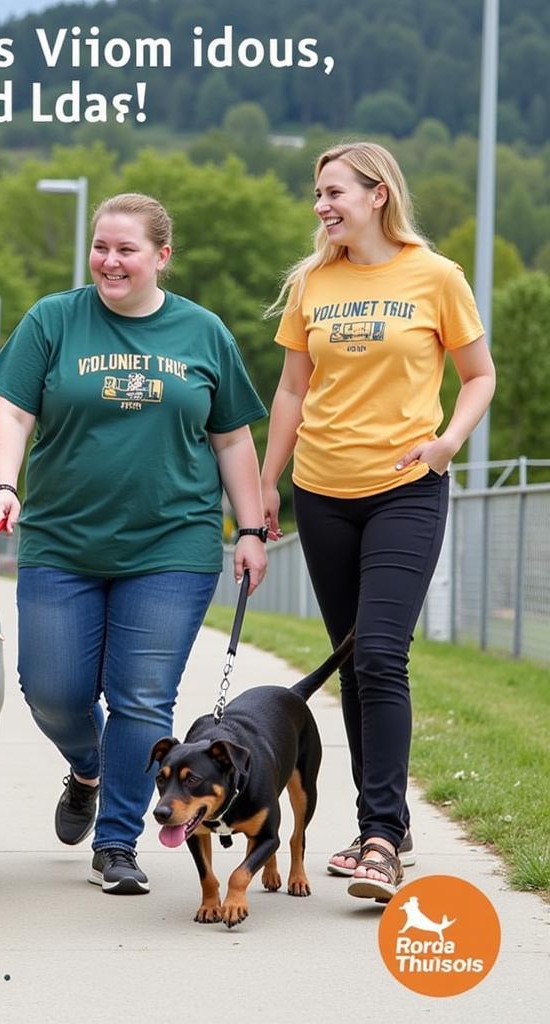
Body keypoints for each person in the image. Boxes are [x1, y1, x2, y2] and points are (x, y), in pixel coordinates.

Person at [0, 192, 269, 895]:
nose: (110, 260)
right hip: (62, 540)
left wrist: (253, 527)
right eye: (101, 247)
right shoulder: (53, 320)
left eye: (126, 249)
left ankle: (118, 843)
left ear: (161, 257)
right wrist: (1, 483)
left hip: (172, 545)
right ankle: (90, 766)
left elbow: (232, 438)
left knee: (141, 698)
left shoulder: (203, 334)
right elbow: (11, 412)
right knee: (51, 690)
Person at [260, 142, 495, 901]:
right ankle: (378, 827)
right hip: (322, 492)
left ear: (378, 194)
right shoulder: (313, 282)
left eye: (334, 193)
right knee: (352, 662)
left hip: (405, 490)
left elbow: (479, 374)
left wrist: (447, 442)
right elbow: (292, 392)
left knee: (381, 656)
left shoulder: (436, 277)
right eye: (317, 195)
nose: (322, 206)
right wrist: (268, 487)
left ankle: (382, 838)